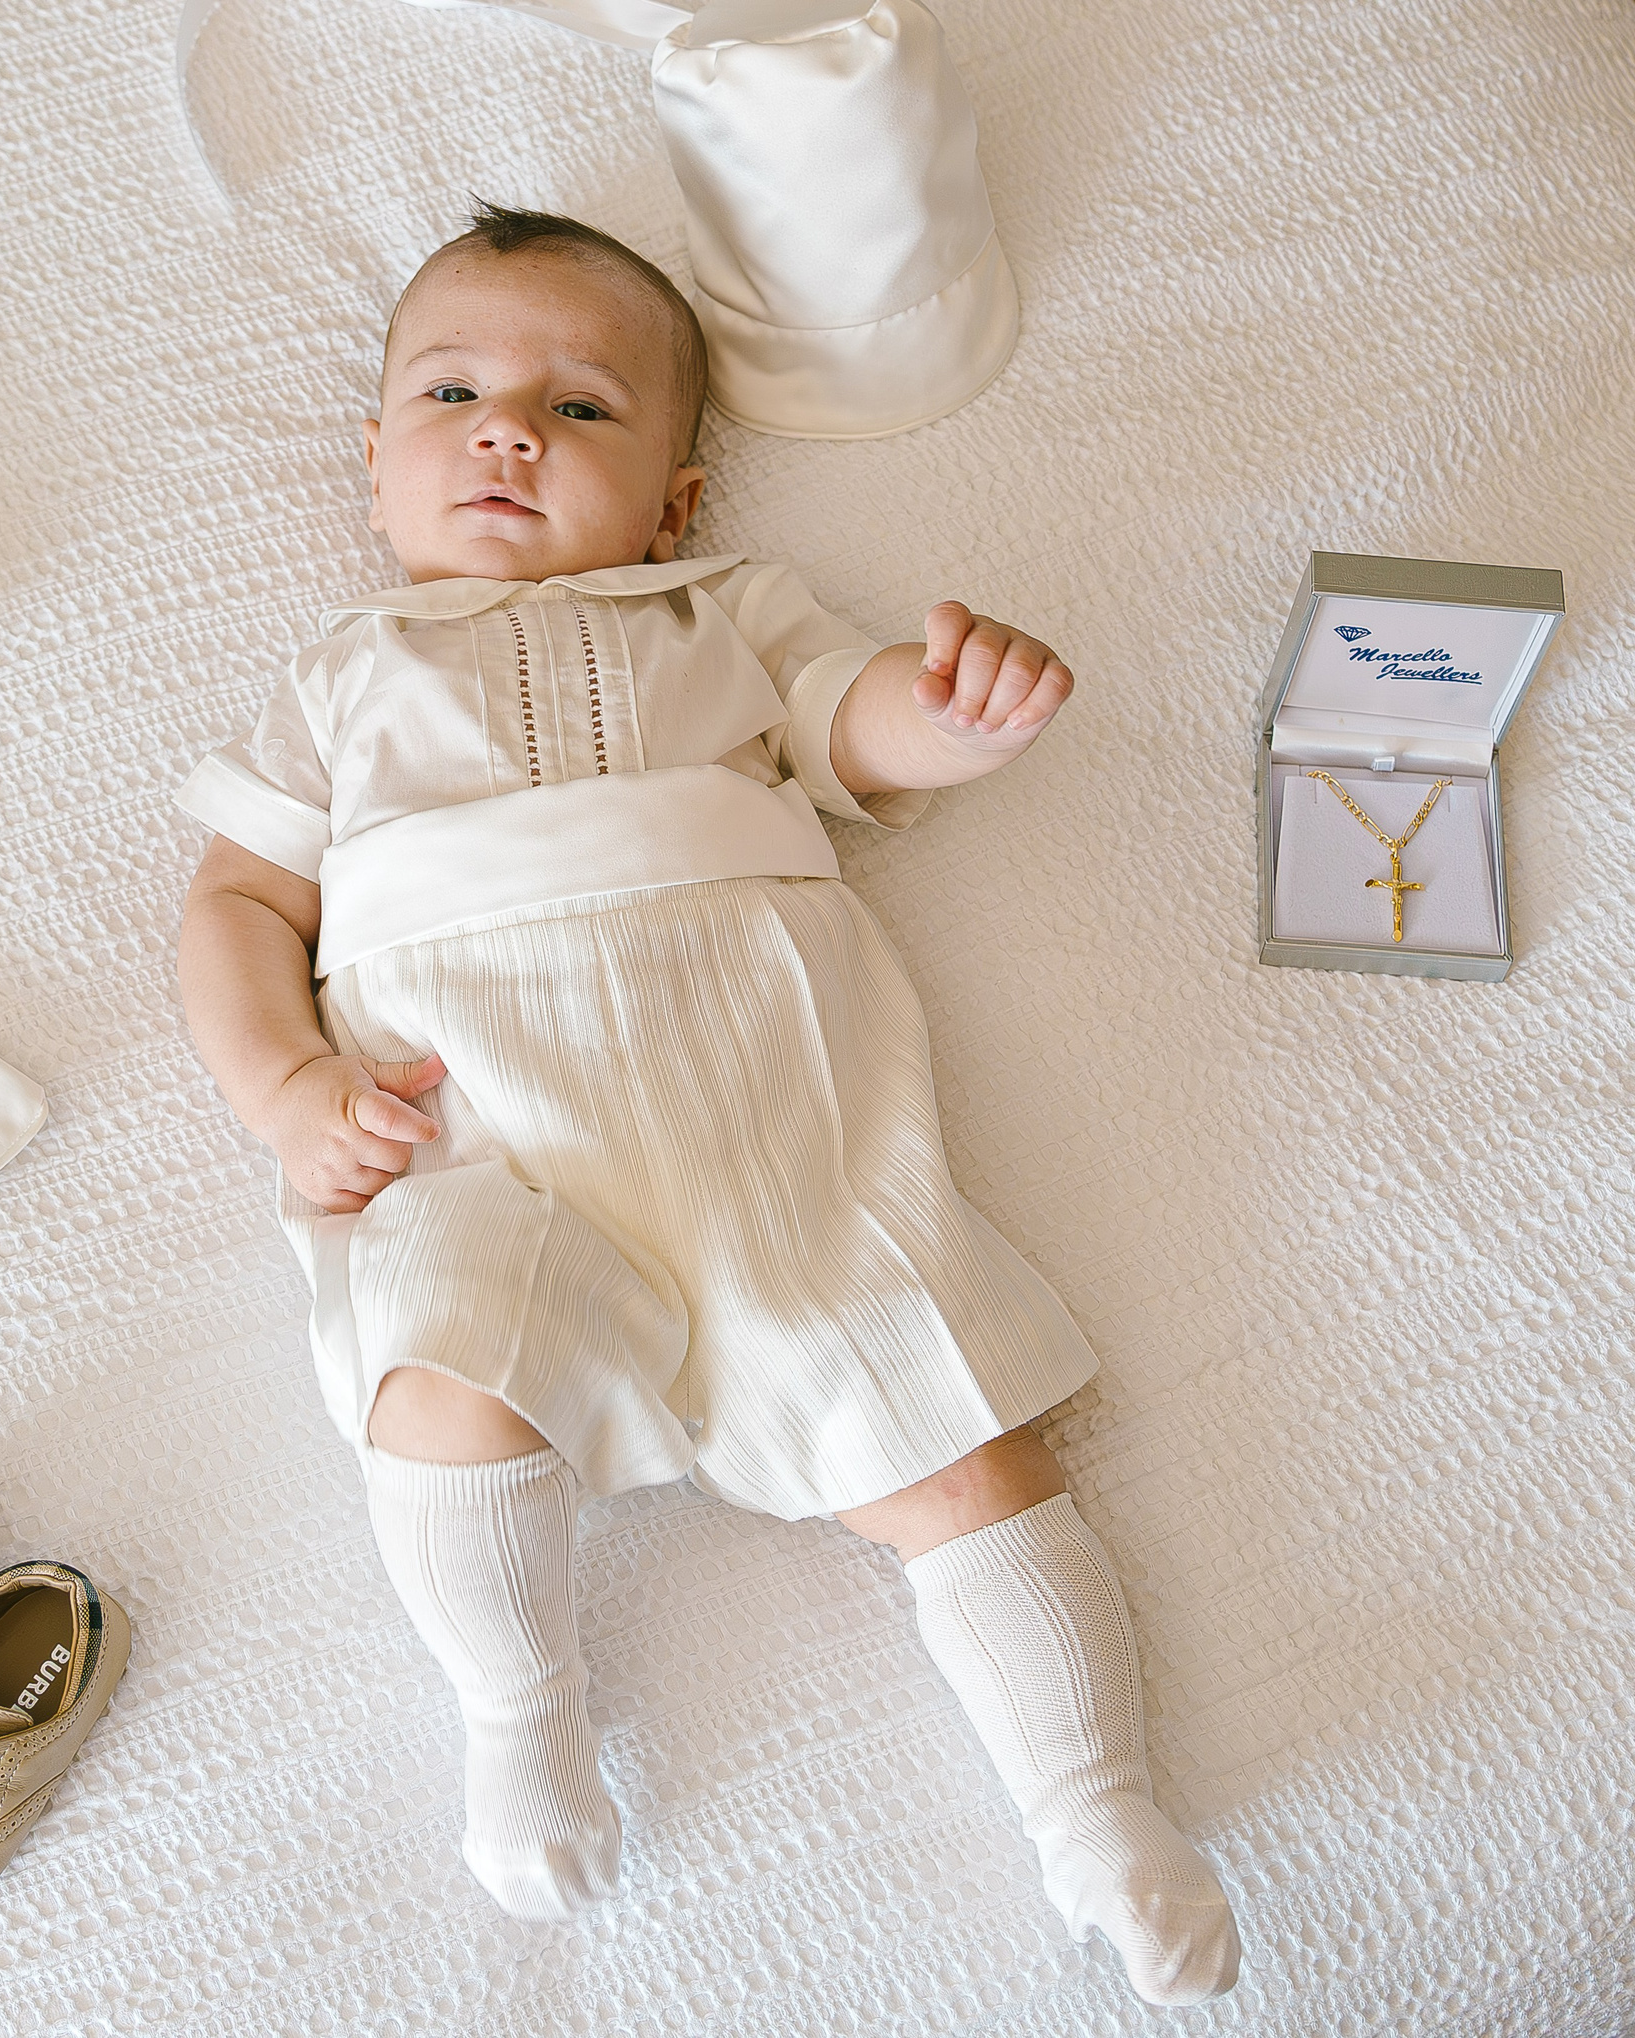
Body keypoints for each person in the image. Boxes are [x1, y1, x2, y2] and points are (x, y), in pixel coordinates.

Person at [173, 203, 1240, 2006]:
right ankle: (522, 1712)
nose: (510, 427)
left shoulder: (725, 614)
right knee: (437, 1386)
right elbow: (233, 909)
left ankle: (1099, 1811)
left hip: (777, 1156)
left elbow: (853, 729)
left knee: (965, 1458)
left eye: (582, 409)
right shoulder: (342, 679)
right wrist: (288, 1089)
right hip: (481, 1147)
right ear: (377, 467)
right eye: (455, 390)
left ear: (676, 499)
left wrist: (949, 713)